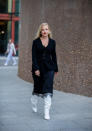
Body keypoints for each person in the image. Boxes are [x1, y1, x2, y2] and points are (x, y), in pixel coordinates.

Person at [31, 23, 58, 120]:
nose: (45, 31)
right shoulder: (35, 42)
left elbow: (54, 56)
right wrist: (36, 69)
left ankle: (47, 112)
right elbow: (33, 57)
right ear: (40, 31)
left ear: (49, 31)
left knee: (48, 89)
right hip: (38, 68)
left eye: (46, 29)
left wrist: (56, 68)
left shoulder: (52, 42)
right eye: (43, 29)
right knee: (37, 89)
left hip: (49, 68)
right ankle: (33, 101)